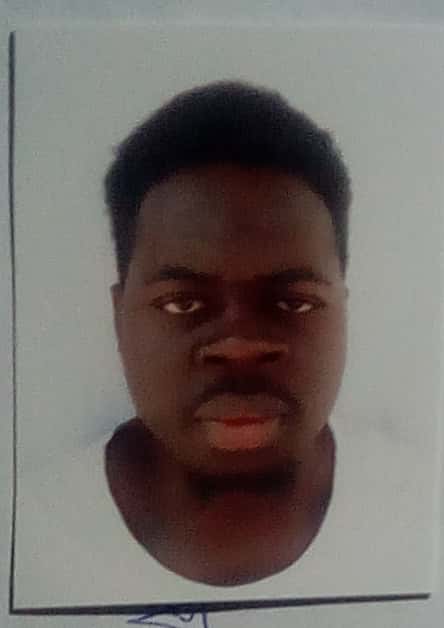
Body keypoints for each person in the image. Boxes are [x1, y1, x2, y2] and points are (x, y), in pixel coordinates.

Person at [102, 79, 351, 587]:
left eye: (294, 302)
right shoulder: (26, 525)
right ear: (118, 315)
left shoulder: (426, 509)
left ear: (342, 311)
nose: (239, 346)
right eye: (182, 303)